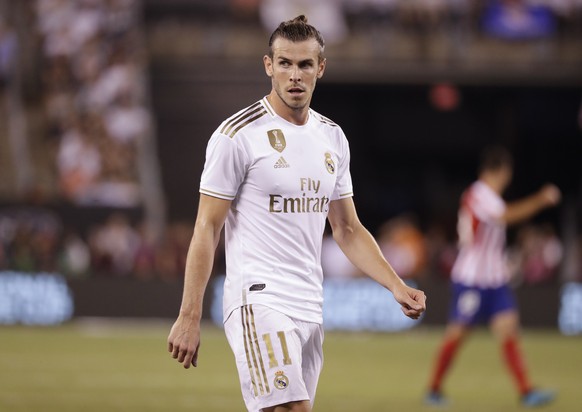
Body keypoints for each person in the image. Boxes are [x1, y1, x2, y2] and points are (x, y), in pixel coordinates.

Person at [167, 15, 427, 412]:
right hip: (257, 299)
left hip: (309, 304)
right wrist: (189, 314)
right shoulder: (237, 136)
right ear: (268, 66)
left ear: (320, 68)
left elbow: (347, 229)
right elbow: (207, 226)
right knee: (290, 409)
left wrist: (396, 285)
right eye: (284, 63)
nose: (294, 75)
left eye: (305, 64)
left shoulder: (332, 138)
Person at [425, 146, 561, 408]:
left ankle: (527, 391)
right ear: (502, 170)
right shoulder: (479, 194)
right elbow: (505, 216)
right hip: (472, 280)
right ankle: (433, 389)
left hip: (494, 280)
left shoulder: (487, 196)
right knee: (456, 335)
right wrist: (541, 199)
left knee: (509, 329)